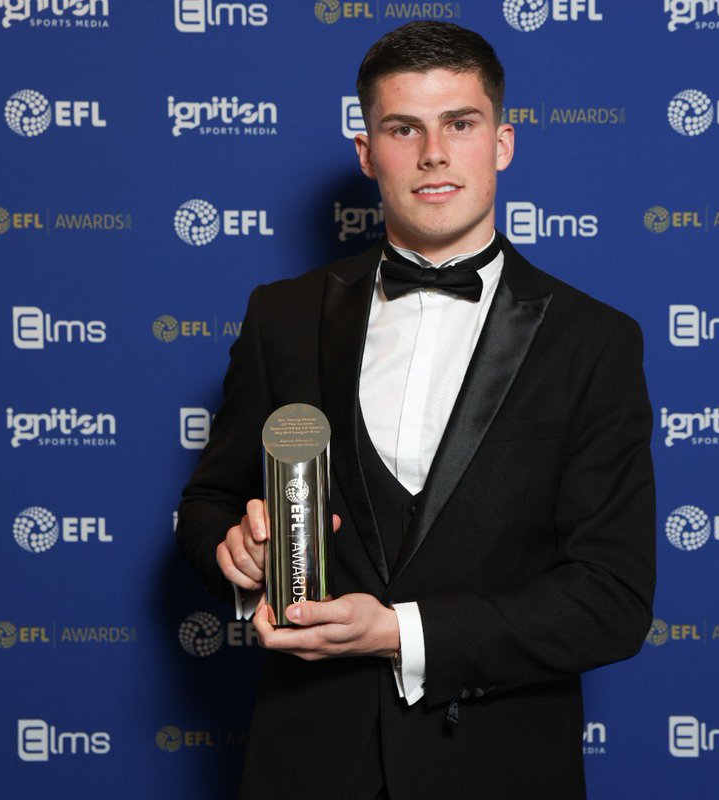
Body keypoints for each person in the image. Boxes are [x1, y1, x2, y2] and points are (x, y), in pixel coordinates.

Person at [176, 21, 655, 800]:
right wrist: (237, 556)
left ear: (502, 142)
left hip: (501, 770)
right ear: (368, 153)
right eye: (404, 128)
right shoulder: (282, 317)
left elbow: (613, 600)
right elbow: (209, 504)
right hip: (305, 767)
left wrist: (400, 632)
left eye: (459, 124)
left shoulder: (594, 342)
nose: (434, 153)